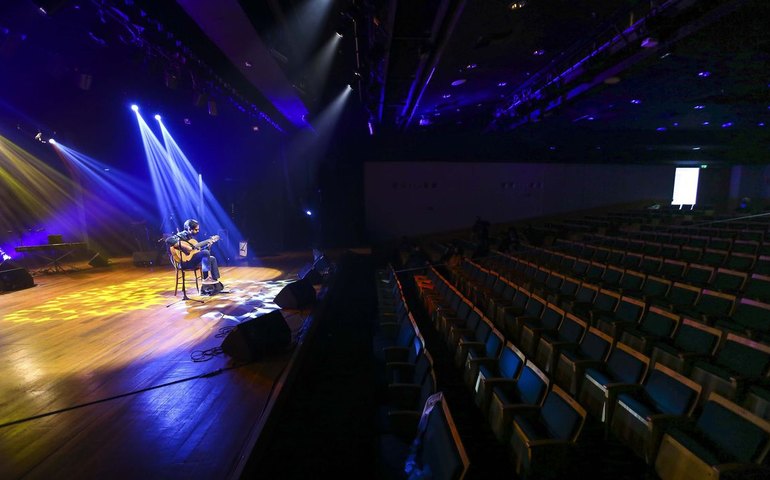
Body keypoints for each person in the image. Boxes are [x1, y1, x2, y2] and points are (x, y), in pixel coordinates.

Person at [165, 218, 221, 284]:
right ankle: (206, 279)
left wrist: (208, 246)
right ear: (189, 229)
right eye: (196, 230)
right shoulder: (182, 235)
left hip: (190, 260)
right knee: (205, 253)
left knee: (212, 258)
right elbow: (168, 240)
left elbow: (197, 252)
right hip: (184, 263)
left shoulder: (191, 238)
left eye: (198, 229)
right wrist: (185, 247)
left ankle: (215, 282)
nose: (198, 231)